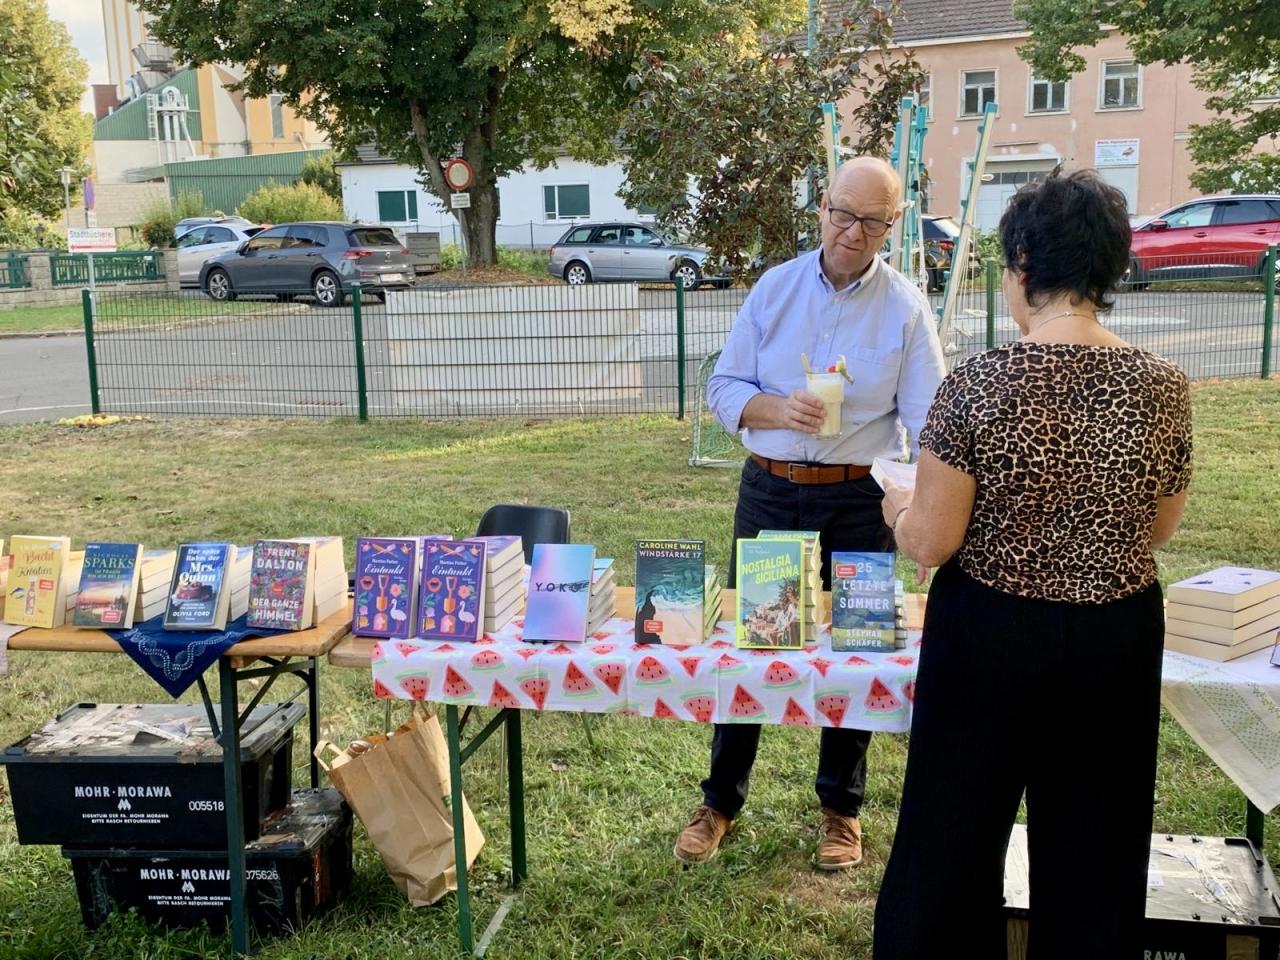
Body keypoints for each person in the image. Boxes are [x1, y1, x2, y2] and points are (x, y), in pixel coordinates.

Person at [872, 170, 1192, 958]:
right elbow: (1159, 527)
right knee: (1097, 852)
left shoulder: (978, 383)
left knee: (949, 839)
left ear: (1021, 264)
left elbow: (933, 541)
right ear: (1108, 270)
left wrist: (896, 508)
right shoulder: (1163, 387)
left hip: (990, 633)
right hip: (1115, 634)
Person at [676, 156, 946, 869]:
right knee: (759, 643)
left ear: (892, 227)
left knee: (857, 649)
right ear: (822, 207)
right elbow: (726, 386)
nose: (853, 232)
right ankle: (720, 801)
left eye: (872, 222)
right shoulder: (775, 289)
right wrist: (775, 406)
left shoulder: (906, 308)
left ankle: (840, 810)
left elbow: (930, 424)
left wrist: (914, 500)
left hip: (861, 500)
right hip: (774, 488)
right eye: (843, 214)